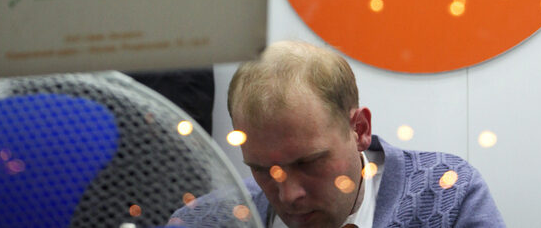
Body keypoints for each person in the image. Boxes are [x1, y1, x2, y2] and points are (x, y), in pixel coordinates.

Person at [172, 41, 505, 227]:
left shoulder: (447, 195)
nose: (289, 194)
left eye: (308, 163)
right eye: (262, 169)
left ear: (360, 129)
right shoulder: (206, 222)